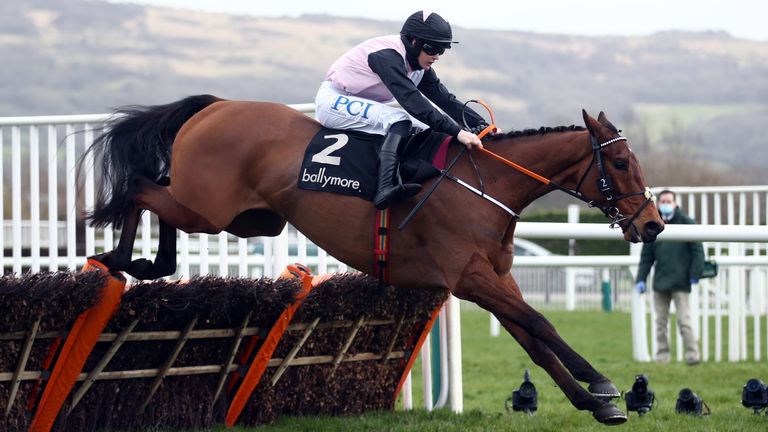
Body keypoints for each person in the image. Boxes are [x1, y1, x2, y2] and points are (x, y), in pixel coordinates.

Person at [315, 10, 489, 209]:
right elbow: (412, 101)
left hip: (363, 102)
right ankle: (384, 189)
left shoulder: (419, 66)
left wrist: (482, 125)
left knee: (425, 128)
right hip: (334, 100)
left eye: (442, 50)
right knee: (400, 121)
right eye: (432, 48)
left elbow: (445, 99)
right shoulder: (387, 57)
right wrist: (458, 132)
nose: (437, 56)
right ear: (413, 42)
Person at [635, 190, 705, 365]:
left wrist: (695, 274)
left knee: (684, 321)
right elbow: (647, 256)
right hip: (660, 282)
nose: (665, 203)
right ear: (658, 204)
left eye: (668, 201)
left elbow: (697, 250)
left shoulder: (687, 222)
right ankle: (662, 357)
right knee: (660, 323)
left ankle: (692, 355)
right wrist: (641, 279)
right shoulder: (654, 224)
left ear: (675, 203)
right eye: (663, 201)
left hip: (681, 282)